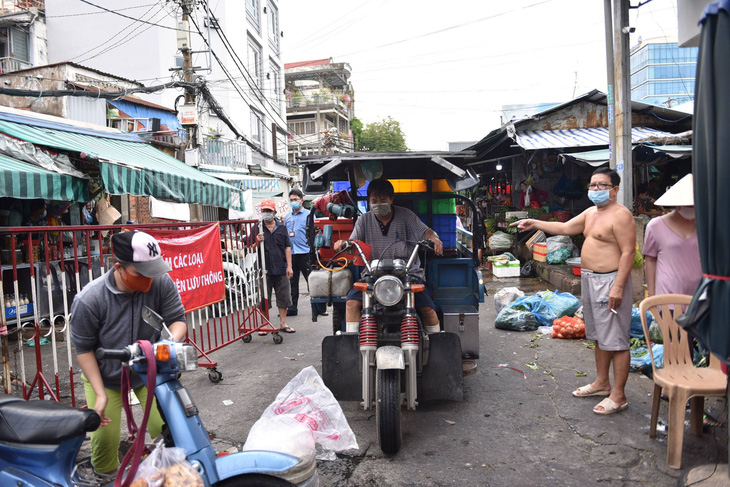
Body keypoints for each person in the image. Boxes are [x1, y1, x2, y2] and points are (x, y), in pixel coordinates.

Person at [512, 167, 635, 415]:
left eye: (602, 185)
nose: (596, 190)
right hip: (590, 279)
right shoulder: (591, 213)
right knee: (599, 335)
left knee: (617, 340)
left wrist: (619, 286)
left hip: (609, 281)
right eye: (592, 185)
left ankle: (619, 395)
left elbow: (628, 252)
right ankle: (602, 383)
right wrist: (534, 222)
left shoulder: (621, 216)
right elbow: (566, 228)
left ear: (615, 189)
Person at [70, 230, 187, 475]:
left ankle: (172, 477)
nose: (149, 279)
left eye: (153, 271)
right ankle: (106, 478)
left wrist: (168, 345)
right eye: (140, 273)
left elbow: (177, 320)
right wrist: (99, 394)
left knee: (170, 429)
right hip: (105, 377)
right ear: (119, 267)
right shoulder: (89, 299)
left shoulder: (160, 281)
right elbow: (83, 348)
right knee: (104, 440)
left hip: (150, 371)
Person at [333, 178, 444, 333]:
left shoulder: (406, 216)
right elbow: (353, 244)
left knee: (427, 307)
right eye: (374, 200)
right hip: (373, 275)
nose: (378, 204)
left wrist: (435, 238)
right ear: (369, 201)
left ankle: (435, 341)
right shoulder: (363, 220)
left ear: (392, 199)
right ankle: (352, 342)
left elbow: (426, 232)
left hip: (407, 273)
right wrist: (343, 245)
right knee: (351, 302)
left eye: (383, 200)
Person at [643, 174, 701, 296]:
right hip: (667, 297)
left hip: (702, 297)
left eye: (694, 205)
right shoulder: (655, 226)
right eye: (687, 205)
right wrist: (652, 295)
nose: (690, 208)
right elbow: (650, 260)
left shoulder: (708, 226)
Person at [256, 199, 295, 334]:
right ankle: (264, 324)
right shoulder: (257, 228)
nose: (266, 213)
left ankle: (283, 323)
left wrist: (289, 266)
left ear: (274, 212)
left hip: (281, 267)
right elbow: (248, 247)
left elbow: (287, 247)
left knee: (283, 296)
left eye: (268, 211)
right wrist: (256, 241)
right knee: (263, 298)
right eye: (264, 211)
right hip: (264, 269)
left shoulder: (282, 227)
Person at [284, 189, 313, 317]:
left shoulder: (309, 215)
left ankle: (317, 308)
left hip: (305, 252)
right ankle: (292, 308)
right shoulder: (288, 217)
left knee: (311, 281)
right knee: (292, 282)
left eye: (295, 200)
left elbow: (315, 231)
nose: (293, 202)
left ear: (301, 200)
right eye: (291, 200)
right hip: (292, 253)